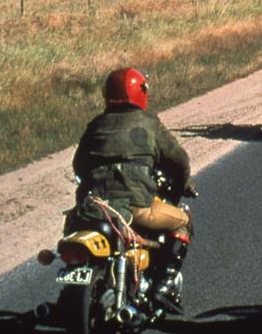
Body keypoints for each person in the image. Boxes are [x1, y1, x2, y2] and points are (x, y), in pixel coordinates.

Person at [70, 67, 197, 313]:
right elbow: (179, 160)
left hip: (92, 207)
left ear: (107, 93)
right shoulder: (148, 123)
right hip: (135, 205)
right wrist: (183, 184)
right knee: (183, 221)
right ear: (141, 93)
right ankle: (165, 283)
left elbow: (79, 164)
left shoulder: (96, 125)